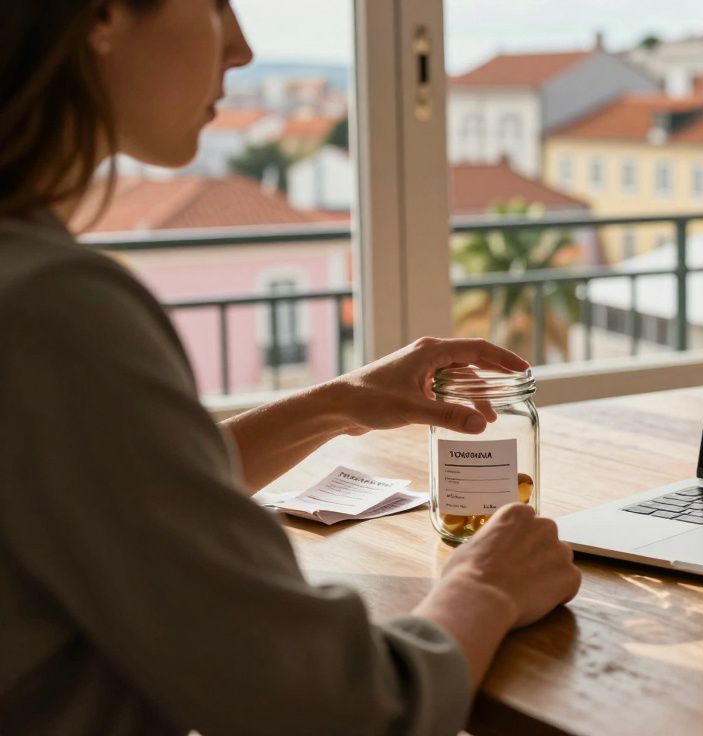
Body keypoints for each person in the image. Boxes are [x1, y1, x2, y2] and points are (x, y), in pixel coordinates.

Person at [0, 3, 581, 734]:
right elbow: (340, 708)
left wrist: (339, 403)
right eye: (214, 2)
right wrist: (486, 587)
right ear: (105, 14)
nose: (240, 47)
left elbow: (118, 492)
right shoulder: (54, 311)